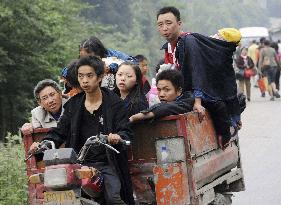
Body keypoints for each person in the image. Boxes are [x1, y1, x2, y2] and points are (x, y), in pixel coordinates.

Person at [29, 56, 134, 205]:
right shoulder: (73, 105)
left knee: (113, 198)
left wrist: (117, 136)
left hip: (107, 163)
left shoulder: (114, 103)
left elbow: (126, 131)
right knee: (65, 197)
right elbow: (59, 132)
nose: (84, 80)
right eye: (81, 76)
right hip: (79, 163)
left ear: (100, 77)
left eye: (89, 76)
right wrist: (43, 143)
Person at [156, 6, 242, 149]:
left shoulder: (188, 41)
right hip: (182, 90)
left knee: (216, 105)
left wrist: (197, 100)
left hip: (200, 89)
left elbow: (197, 70)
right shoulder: (169, 47)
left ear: (179, 23)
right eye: (160, 24)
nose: (164, 28)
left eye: (168, 23)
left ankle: (226, 133)